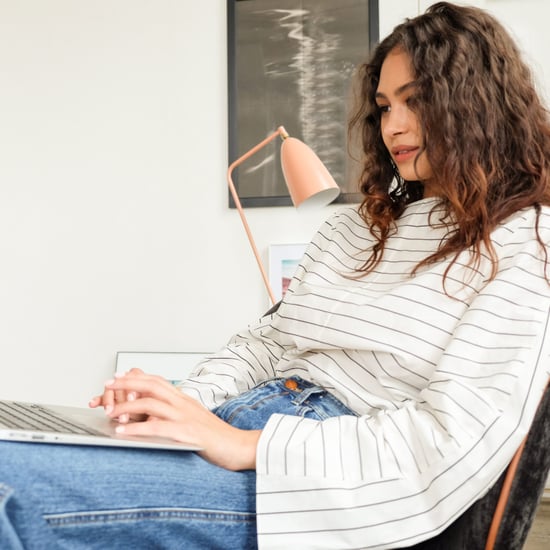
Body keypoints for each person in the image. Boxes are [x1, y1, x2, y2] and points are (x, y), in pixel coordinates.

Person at [2, 2, 550, 548]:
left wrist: (250, 446)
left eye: (417, 101)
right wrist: (181, 404)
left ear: (478, 105)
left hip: (309, 481)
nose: (394, 127)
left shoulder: (526, 243)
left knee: (9, 479)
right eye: (384, 107)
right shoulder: (356, 229)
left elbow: (444, 445)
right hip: (247, 423)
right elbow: (267, 343)